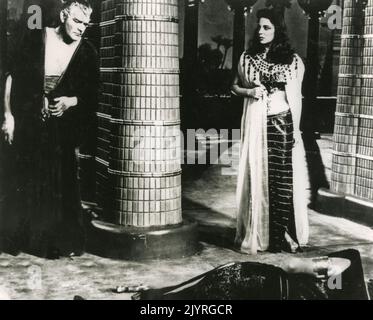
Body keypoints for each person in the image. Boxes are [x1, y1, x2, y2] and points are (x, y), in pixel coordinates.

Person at [1, 0, 99, 258]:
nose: (81, 28)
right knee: (24, 178)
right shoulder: (36, 37)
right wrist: (8, 116)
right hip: (28, 120)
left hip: (61, 129)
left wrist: (71, 101)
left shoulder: (87, 51)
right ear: (64, 14)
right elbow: (12, 76)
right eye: (77, 21)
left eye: (86, 24)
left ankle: (54, 243)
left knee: (60, 181)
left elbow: (92, 92)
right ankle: (18, 239)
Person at [231, 8, 309, 254]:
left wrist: (295, 130)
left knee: (282, 180)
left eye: (267, 27)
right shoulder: (247, 58)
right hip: (258, 125)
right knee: (259, 177)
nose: (261, 31)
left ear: (278, 30)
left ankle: (282, 234)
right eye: (259, 27)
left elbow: (295, 97)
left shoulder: (292, 60)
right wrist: (250, 92)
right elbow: (234, 87)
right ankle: (261, 232)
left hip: (282, 124)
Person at [132, 249, 370, 300]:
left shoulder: (347, 263)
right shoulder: (348, 271)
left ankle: (153, 296)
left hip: (261, 283)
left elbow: (291, 265)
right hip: (262, 288)